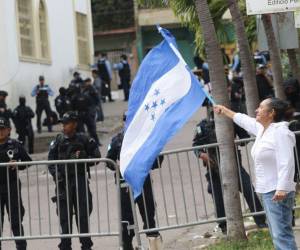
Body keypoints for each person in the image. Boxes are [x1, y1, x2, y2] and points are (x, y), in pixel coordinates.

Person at [214, 98, 298, 249]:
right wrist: (225, 111)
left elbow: (287, 161)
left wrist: (281, 188)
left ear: (271, 113)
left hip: (277, 191)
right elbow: (245, 120)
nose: (256, 110)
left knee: (281, 234)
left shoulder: (280, 132)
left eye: (260, 107)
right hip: (268, 191)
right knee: (278, 233)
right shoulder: (263, 130)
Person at [193, 117, 266, 233]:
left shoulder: (230, 121)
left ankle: (261, 221)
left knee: (248, 190)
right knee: (218, 197)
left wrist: (236, 141)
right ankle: (224, 227)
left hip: (233, 163)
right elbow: (195, 145)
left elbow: (244, 138)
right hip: (213, 166)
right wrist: (202, 155)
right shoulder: (202, 125)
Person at [106, 113, 162, 250]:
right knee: (126, 218)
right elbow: (108, 161)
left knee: (148, 214)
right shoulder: (117, 140)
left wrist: (146, 162)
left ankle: (154, 245)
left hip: (143, 182)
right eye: (127, 120)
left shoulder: (146, 138)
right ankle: (127, 245)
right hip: (124, 184)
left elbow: (158, 159)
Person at [48, 111, 101, 250]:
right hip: (63, 182)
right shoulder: (58, 141)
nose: (64, 126)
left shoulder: (84, 139)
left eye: (67, 123)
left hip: (80, 180)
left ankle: (86, 245)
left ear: (74, 124)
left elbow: (96, 156)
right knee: (64, 216)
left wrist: (85, 159)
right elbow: (50, 162)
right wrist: (56, 175)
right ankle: (65, 245)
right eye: (63, 123)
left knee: (82, 214)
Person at [0, 117, 32, 250]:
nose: (0, 132)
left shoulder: (15, 145)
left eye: (2, 129)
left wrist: (18, 164)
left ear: (9, 130)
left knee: (15, 219)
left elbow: (28, 162)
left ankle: (21, 247)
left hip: (11, 185)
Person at [72, 78, 101, 146]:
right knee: (90, 130)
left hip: (82, 114)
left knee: (85, 131)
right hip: (85, 114)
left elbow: (72, 107)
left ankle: (88, 143)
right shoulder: (84, 96)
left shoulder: (75, 97)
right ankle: (94, 142)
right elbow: (90, 104)